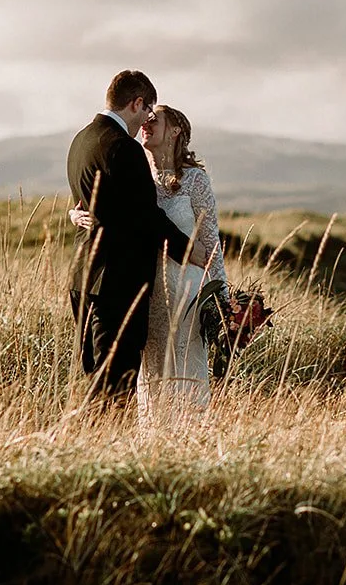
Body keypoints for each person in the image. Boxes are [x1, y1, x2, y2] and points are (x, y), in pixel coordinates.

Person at [72, 104, 230, 425]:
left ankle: (188, 434)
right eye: (145, 117)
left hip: (186, 295)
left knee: (184, 366)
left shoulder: (195, 180)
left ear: (176, 131)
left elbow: (211, 241)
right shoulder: (135, 168)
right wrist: (73, 214)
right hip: (146, 289)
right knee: (149, 370)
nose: (146, 122)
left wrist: (224, 300)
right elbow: (104, 203)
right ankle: (154, 438)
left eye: (155, 119)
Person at [65, 71, 205, 404]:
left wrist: (72, 214)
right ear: (136, 103)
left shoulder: (81, 140)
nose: (146, 120)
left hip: (85, 277)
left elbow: (92, 203)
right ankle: (101, 436)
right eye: (147, 111)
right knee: (115, 385)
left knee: (96, 376)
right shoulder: (123, 148)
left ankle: (94, 433)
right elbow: (145, 216)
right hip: (116, 283)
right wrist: (188, 250)